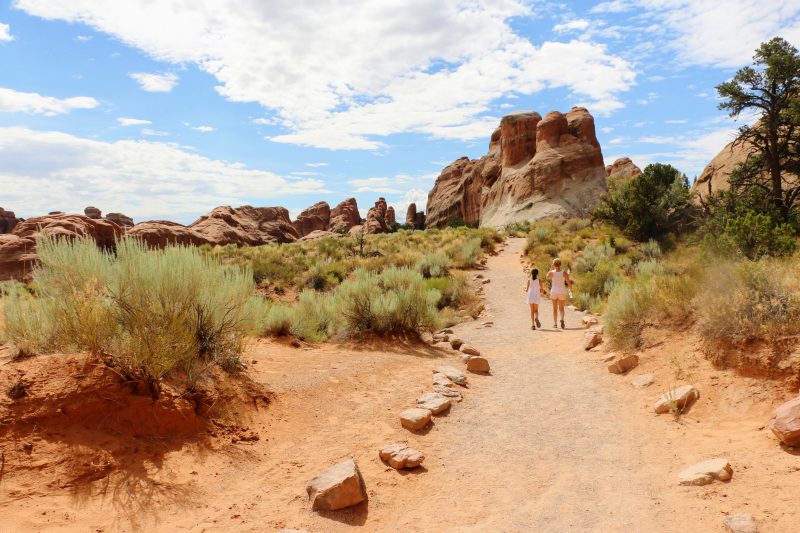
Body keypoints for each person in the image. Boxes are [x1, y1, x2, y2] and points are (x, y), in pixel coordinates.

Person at [546, 258, 573, 329]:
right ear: (560, 264)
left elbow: (547, 277)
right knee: (561, 308)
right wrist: (570, 291)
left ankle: (555, 324)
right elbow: (569, 283)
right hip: (561, 291)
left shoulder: (552, 272)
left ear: (554, 264)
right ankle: (562, 320)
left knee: (554, 309)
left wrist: (551, 268)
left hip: (554, 291)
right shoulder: (564, 272)